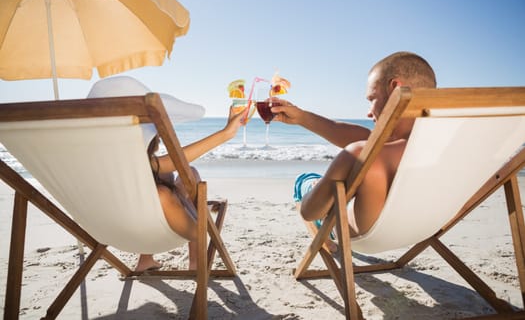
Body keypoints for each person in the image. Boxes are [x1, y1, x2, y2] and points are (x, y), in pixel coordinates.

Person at [271, 51, 436, 238]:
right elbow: (366, 136)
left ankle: (315, 187)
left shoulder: (359, 153)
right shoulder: (451, 150)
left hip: (360, 234)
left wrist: (321, 186)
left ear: (395, 89)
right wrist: (302, 117)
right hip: (423, 229)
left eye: (372, 99)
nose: (368, 113)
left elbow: (309, 212)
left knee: (306, 180)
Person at [87, 76, 244, 271]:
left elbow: (169, 163)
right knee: (186, 177)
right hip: (181, 228)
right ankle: (195, 262)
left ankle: (145, 260)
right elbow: (177, 161)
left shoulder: (91, 163)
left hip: (109, 229)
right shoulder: (142, 165)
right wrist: (226, 133)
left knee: (165, 177)